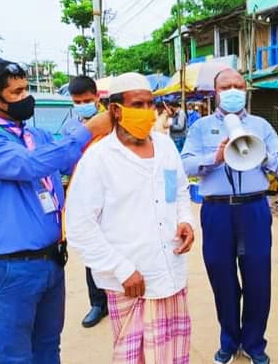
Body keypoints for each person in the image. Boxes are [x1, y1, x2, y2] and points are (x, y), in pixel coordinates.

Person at [0, 56, 111, 363]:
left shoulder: (38, 136)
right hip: (9, 269)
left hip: (51, 262)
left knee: (47, 349)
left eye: (26, 89)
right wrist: (88, 131)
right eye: (16, 93)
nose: (26, 98)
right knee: (15, 356)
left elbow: (75, 163)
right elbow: (29, 164)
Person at [65, 72, 195, 364]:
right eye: (139, 104)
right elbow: (79, 227)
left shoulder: (164, 147)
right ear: (115, 110)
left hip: (171, 273)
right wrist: (121, 269)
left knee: (172, 355)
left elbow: (179, 191)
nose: (148, 112)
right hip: (131, 282)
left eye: (151, 104)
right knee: (134, 357)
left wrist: (186, 220)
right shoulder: (98, 159)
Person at [181, 68, 278, 364]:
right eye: (225, 85)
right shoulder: (200, 127)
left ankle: (254, 344)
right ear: (216, 92)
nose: (232, 90)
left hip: (254, 208)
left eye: (238, 85)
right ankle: (229, 341)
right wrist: (213, 159)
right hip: (216, 210)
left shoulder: (261, 125)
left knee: (258, 279)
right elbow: (185, 165)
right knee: (222, 278)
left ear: (245, 89)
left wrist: (259, 152)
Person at [62, 75, 109, 329]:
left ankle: (119, 296)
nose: (82, 104)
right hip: (83, 192)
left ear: (97, 97)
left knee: (119, 243)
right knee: (92, 248)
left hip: (113, 193)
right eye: (77, 101)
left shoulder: (113, 120)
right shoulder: (71, 126)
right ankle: (98, 303)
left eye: (87, 100)